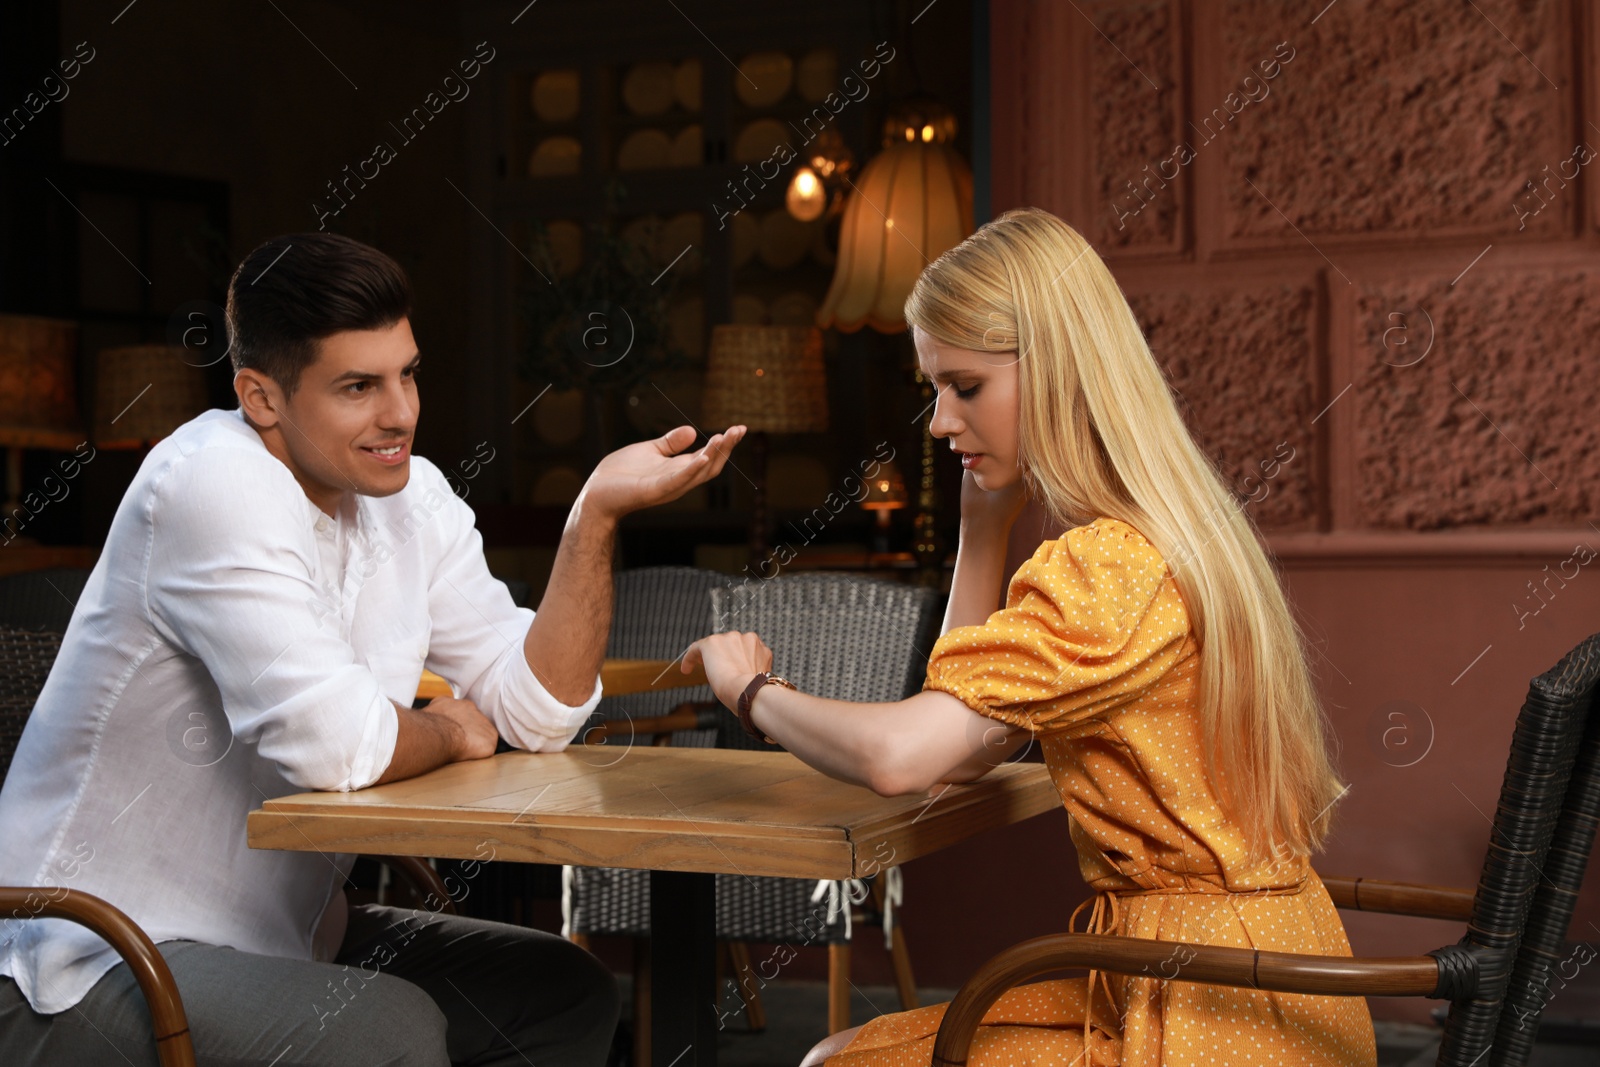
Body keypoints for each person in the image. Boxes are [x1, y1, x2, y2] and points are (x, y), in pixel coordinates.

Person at [0, 231, 745, 1066]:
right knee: (386, 1031)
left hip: (276, 941)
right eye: (358, 386)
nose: (400, 414)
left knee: (560, 992)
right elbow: (336, 743)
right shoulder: (210, 479)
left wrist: (593, 517)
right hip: (82, 960)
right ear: (262, 397)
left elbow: (539, 712)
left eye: (407, 373)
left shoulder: (410, 498)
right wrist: (450, 729)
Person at [685, 208, 1377, 1067]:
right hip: (1260, 973)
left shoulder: (1105, 567)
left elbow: (904, 757)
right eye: (932, 388)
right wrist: (982, 532)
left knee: (841, 1062)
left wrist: (752, 691)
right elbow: (969, 741)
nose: (938, 422)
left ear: (1056, 369)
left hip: (1204, 1012)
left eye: (965, 386)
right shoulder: (1172, 531)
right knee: (841, 1052)